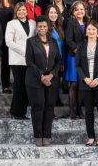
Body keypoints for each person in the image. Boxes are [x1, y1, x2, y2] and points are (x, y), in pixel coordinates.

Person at [25, 16, 62, 147]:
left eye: (44, 26)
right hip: (35, 79)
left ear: (48, 28)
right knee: (38, 107)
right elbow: (29, 62)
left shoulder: (53, 41)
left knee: (49, 108)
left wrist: (51, 75)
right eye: (39, 26)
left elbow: (58, 61)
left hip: (51, 80)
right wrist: (42, 76)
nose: (42, 28)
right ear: (37, 27)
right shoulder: (30, 42)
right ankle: (38, 136)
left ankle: (46, 136)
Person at [75, 20, 98, 147]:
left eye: (93, 29)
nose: (91, 31)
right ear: (86, 31)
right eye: (89, 29)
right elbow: (78, 65)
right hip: (86, 83)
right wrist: (85, 79)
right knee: (88, 111)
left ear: (97, 32)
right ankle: (91, 136)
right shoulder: (80, 46)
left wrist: (97, 79)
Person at [5, 2, 36, 120]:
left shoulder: (33, 23)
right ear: (16, 12)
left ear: (27, 11)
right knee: (18, 86)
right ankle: (16, 112)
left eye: (23, 10)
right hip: (17, 60)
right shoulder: (11, 24)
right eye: (18, 10)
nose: (21, 12)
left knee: (26, 86)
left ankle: (21, 112)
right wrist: (24, 51)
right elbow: (8, 42)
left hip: (30, 60)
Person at [64, 1, 89, 119]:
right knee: (74, 83)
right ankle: (71, 109)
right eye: (77, 9)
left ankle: (80, 109)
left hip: (86, 57)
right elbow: (69, 40)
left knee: (82, 84)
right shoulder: (71, 23)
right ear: (73, 12)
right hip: (73, 57)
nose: (80, 11)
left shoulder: (89, 23)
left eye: (81, 9)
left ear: (85, 11)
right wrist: (78, 51)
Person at [46, 4, 66, 106]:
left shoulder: (60, 28)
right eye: (51, 12)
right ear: (48, 14)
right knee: (51, 82)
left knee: (57, 82)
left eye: (55, 12)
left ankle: (56, 99)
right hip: (48, 60)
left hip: (59, 60)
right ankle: (51, 102)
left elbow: (62, 47)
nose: (53, 15)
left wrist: (62, 62)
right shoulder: (45, 27)